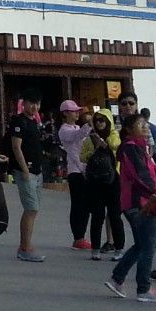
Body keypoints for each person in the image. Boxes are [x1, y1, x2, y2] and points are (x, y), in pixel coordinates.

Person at [105, 114, 156, 302]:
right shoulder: (131, 148)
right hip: (139, 202)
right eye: (141, 124)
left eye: (146, 124)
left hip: (135, 202)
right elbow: (141, 176)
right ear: (129, 128)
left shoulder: (139, 148)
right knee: (148, 245)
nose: (145, 127)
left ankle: (117, 278)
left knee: (141, 244)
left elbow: (149, 171)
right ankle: (143, 288)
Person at [6, 100, 45, 262]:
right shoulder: (18, 121)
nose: (35, 107)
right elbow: (16, 146)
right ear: (24, 104)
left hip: (37, 171)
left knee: (34, 209)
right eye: (31, 104)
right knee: (31, 208)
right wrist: (25, 170)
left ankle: (26, 245)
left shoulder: (34, 121)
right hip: (26, 172)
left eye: (37, 104)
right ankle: (24, 247)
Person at [83, 109, 123, 256]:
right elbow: (82, 157)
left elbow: (116, 147)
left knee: (115, 215)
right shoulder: (89, 138)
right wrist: (93, 149)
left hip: (113, 178)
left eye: (102, 120)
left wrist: (104, 144)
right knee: (97, 215)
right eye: (97, 120)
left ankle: (118, 248)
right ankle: (95, 248)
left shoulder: (114, 135)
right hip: (95, 180)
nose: (99, 123)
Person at [56, 101, 94, 252]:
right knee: (78, 205)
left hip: (84, 169)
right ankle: (78, 237)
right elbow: (78, 135)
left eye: (77, 111)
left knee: (85, 206)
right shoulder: (64, 130)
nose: (77, 114)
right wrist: (89, 124)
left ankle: (82, 236)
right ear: (65, 113)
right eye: (73, 111)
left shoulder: (77, 127)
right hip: (75, 170)